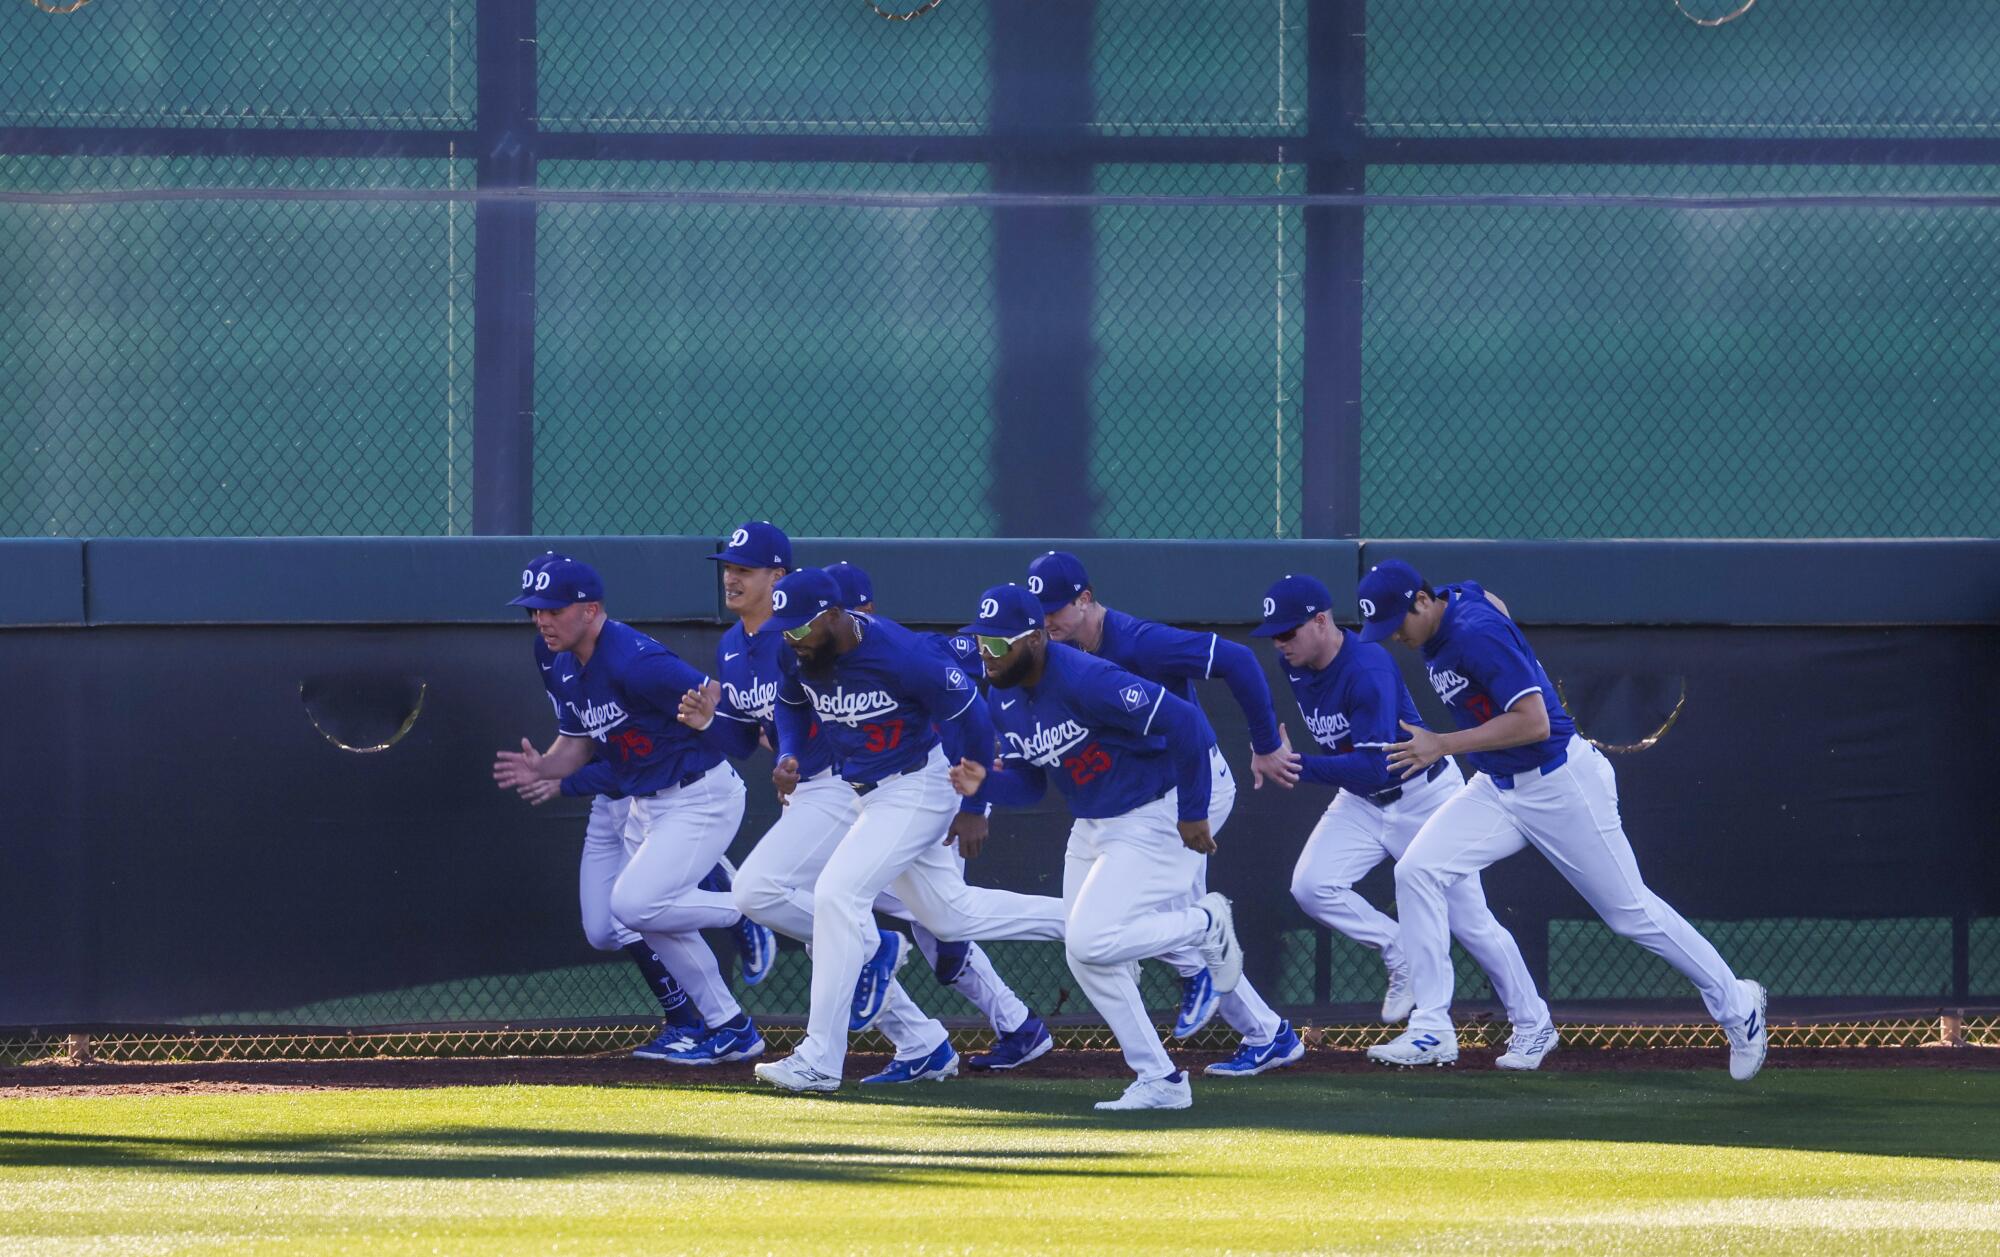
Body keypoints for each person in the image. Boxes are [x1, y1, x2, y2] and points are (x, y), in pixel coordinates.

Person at [1358, 560, 1766, 1079]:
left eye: (1396, 621)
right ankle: (1444, 1027)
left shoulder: (1474, 634)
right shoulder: (1459, 598)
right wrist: (1517, 656)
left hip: (1559, 785)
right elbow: (1492, 596)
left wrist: (1442, 743)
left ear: (1420, 600)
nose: (1393, 634)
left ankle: (1738, 1007)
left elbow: (1534, 722)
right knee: (1416, 871)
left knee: (1631, 914)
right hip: (1497, 788)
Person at [953, 584, 1246, 1110]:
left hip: (1154, 807)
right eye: (981, 645)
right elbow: (1028, 783)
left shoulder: (1085, 677)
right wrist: (983, 787)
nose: (987, 656)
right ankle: (1160, 1078)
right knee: (1083, 947)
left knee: (1091, 941)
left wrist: (1192, 811)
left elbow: (1187, 721)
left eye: (999, 645)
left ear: (1037, 640)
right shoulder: (1002, 695)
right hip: (1095, 819)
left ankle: (1205, 924)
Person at [1249, 572, 1555, 1069]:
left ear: (1321, 621)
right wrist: (1270, 746)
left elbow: (1379, 763)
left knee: (1472, 924)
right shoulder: (1297, 663)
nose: (1280, 644)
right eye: (1274, 635)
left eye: (1288, 632)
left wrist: (1294, 764)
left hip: (1422, 795)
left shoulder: (1368, 667)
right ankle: (1398, 948)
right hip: (1361, 802)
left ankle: (1530, 1023)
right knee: (1311, 885)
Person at [491, 557, 775, 1066]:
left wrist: (771, 737)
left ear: (591, 609)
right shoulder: (558, 658)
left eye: (553, 610)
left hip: (698, 793)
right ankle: (731, 1026)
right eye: (535, 610)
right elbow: (577, 746)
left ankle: (755, 906)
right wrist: (545, 768)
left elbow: (715, 697)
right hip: (647, 802)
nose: (541, 620)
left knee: (634, 906)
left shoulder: (635, 660)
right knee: (646, 917)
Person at [1026, 551, 1297, 1075]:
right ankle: (1269, 1034)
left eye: (1055, 608)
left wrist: (1264, 743)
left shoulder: (1137, 641)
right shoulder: (1058, 657)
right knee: (1179, 917)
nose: (1047, 621)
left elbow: (1238, 661)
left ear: (1085, 599)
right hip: (1150, 799)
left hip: (1192, 790)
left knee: (1162, 918)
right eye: (1038, 613)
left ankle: (1216, 989)